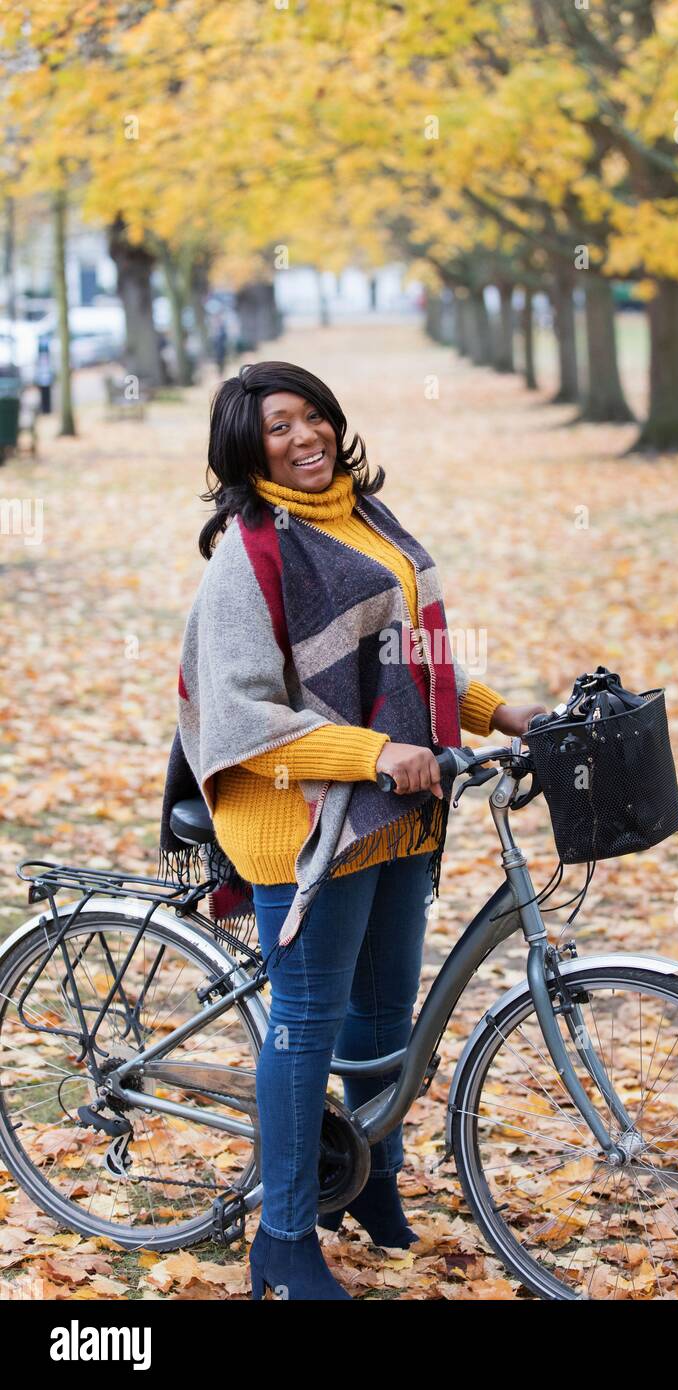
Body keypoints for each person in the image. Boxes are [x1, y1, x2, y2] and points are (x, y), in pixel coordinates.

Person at [174, 361, 544, 1300]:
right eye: (278, 429)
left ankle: (368, 1190)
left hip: (393, 817)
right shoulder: (248, 553)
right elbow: (239, 714)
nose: (305, 439)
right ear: (246, 450)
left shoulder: (370, 521)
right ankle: (285, 1241)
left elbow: (410, 666)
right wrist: (374, 754)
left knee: (381, 1022)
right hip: (303, 820)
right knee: (305, 1028)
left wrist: (504, 715)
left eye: (313, 418)